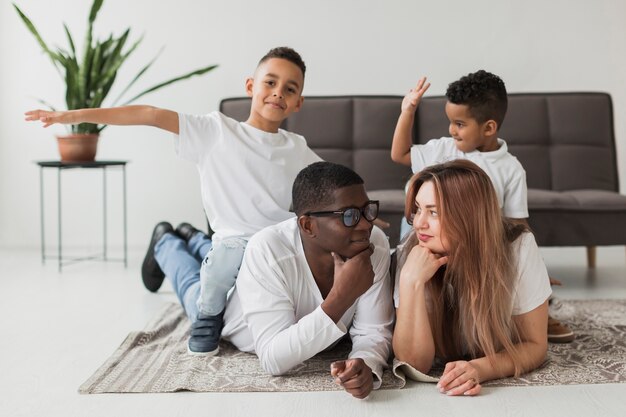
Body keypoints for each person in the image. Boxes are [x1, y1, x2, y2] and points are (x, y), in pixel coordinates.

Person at [25, 47, 322, 355]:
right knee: (221, 268)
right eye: (270, 83)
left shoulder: (296, 148)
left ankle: (190, 237)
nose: (278, 93)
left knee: (234, 260)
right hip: (232, 249)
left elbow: (335, 187)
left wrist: (369, 217)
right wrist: (72, 117)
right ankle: (170, 250)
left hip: (271, 252)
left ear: (298, 102)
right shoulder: (215, 130)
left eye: (290, 89)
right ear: (250, 86)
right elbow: (149, 115)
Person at [390, 70, 574, 343]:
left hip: (476, 244)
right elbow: (400, 154)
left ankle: (536, 310)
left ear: (489, 127)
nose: (452, 130)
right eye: (450, 122)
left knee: (510, 275)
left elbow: (516, 224)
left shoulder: (510, 168)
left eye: (460, 124)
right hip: (430, 235)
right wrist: (408, 110)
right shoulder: (444, 149)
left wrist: (534, 265)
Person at [223, 161, 393, 399]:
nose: (366, 224)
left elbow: (373, 330)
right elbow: (273, 359)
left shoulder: (374, 243)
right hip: (232, 322)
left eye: (367, 210)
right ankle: (172, 244)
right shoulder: (267, 250)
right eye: (349, 215)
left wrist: (365, 362)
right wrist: (341, 297)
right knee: (192, 291)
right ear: (308, 225)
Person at [393, 159, 551, 396]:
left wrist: (481, 368)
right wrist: (410, 283)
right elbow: (414, 363)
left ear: (468, 216)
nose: (418, 223)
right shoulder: (411, 251)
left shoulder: (518, 247)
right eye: (418, 209)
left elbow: (535, 345)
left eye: (433, 212)